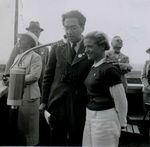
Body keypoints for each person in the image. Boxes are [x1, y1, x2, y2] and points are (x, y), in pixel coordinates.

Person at [39, 10, 93, 146]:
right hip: (57, 101)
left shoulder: (90, 48)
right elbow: (48, 76)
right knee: (56, 137)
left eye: (73, 28)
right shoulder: (57, 47)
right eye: (66, 27)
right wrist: (43, 101)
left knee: (78, 137)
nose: (69, 31)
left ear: (83, 27)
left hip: (80, 102)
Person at [82, 31, 128, 147]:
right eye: (85, 46)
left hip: (105, 119)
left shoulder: (109, 70)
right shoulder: (94, 67)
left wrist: (122, 123)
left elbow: (121, 100)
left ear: (102, 46)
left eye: (90, 46)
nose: (86, 50)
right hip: (90, 116)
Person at [9, 32, 42, 145]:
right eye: (20, 39)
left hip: (29, 97)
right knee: (20, 127)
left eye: (22, 39)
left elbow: (34, 76)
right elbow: (12, 73)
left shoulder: (35, 57)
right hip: (17, 96)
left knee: (30, 128)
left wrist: (15, 80)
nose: (19, 41)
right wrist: (8, 78)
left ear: (30, 42)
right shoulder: (18, 57)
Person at [4, 21, 49, 92]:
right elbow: (11, 60)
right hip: (25, 82)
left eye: (37, 31)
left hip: (41, 82)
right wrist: (6, 76)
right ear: (29, 33)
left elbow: (48, 66)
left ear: (40, 33)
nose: (35, 33)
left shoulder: (45, 48)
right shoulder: (20, 46)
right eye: (32, 31)